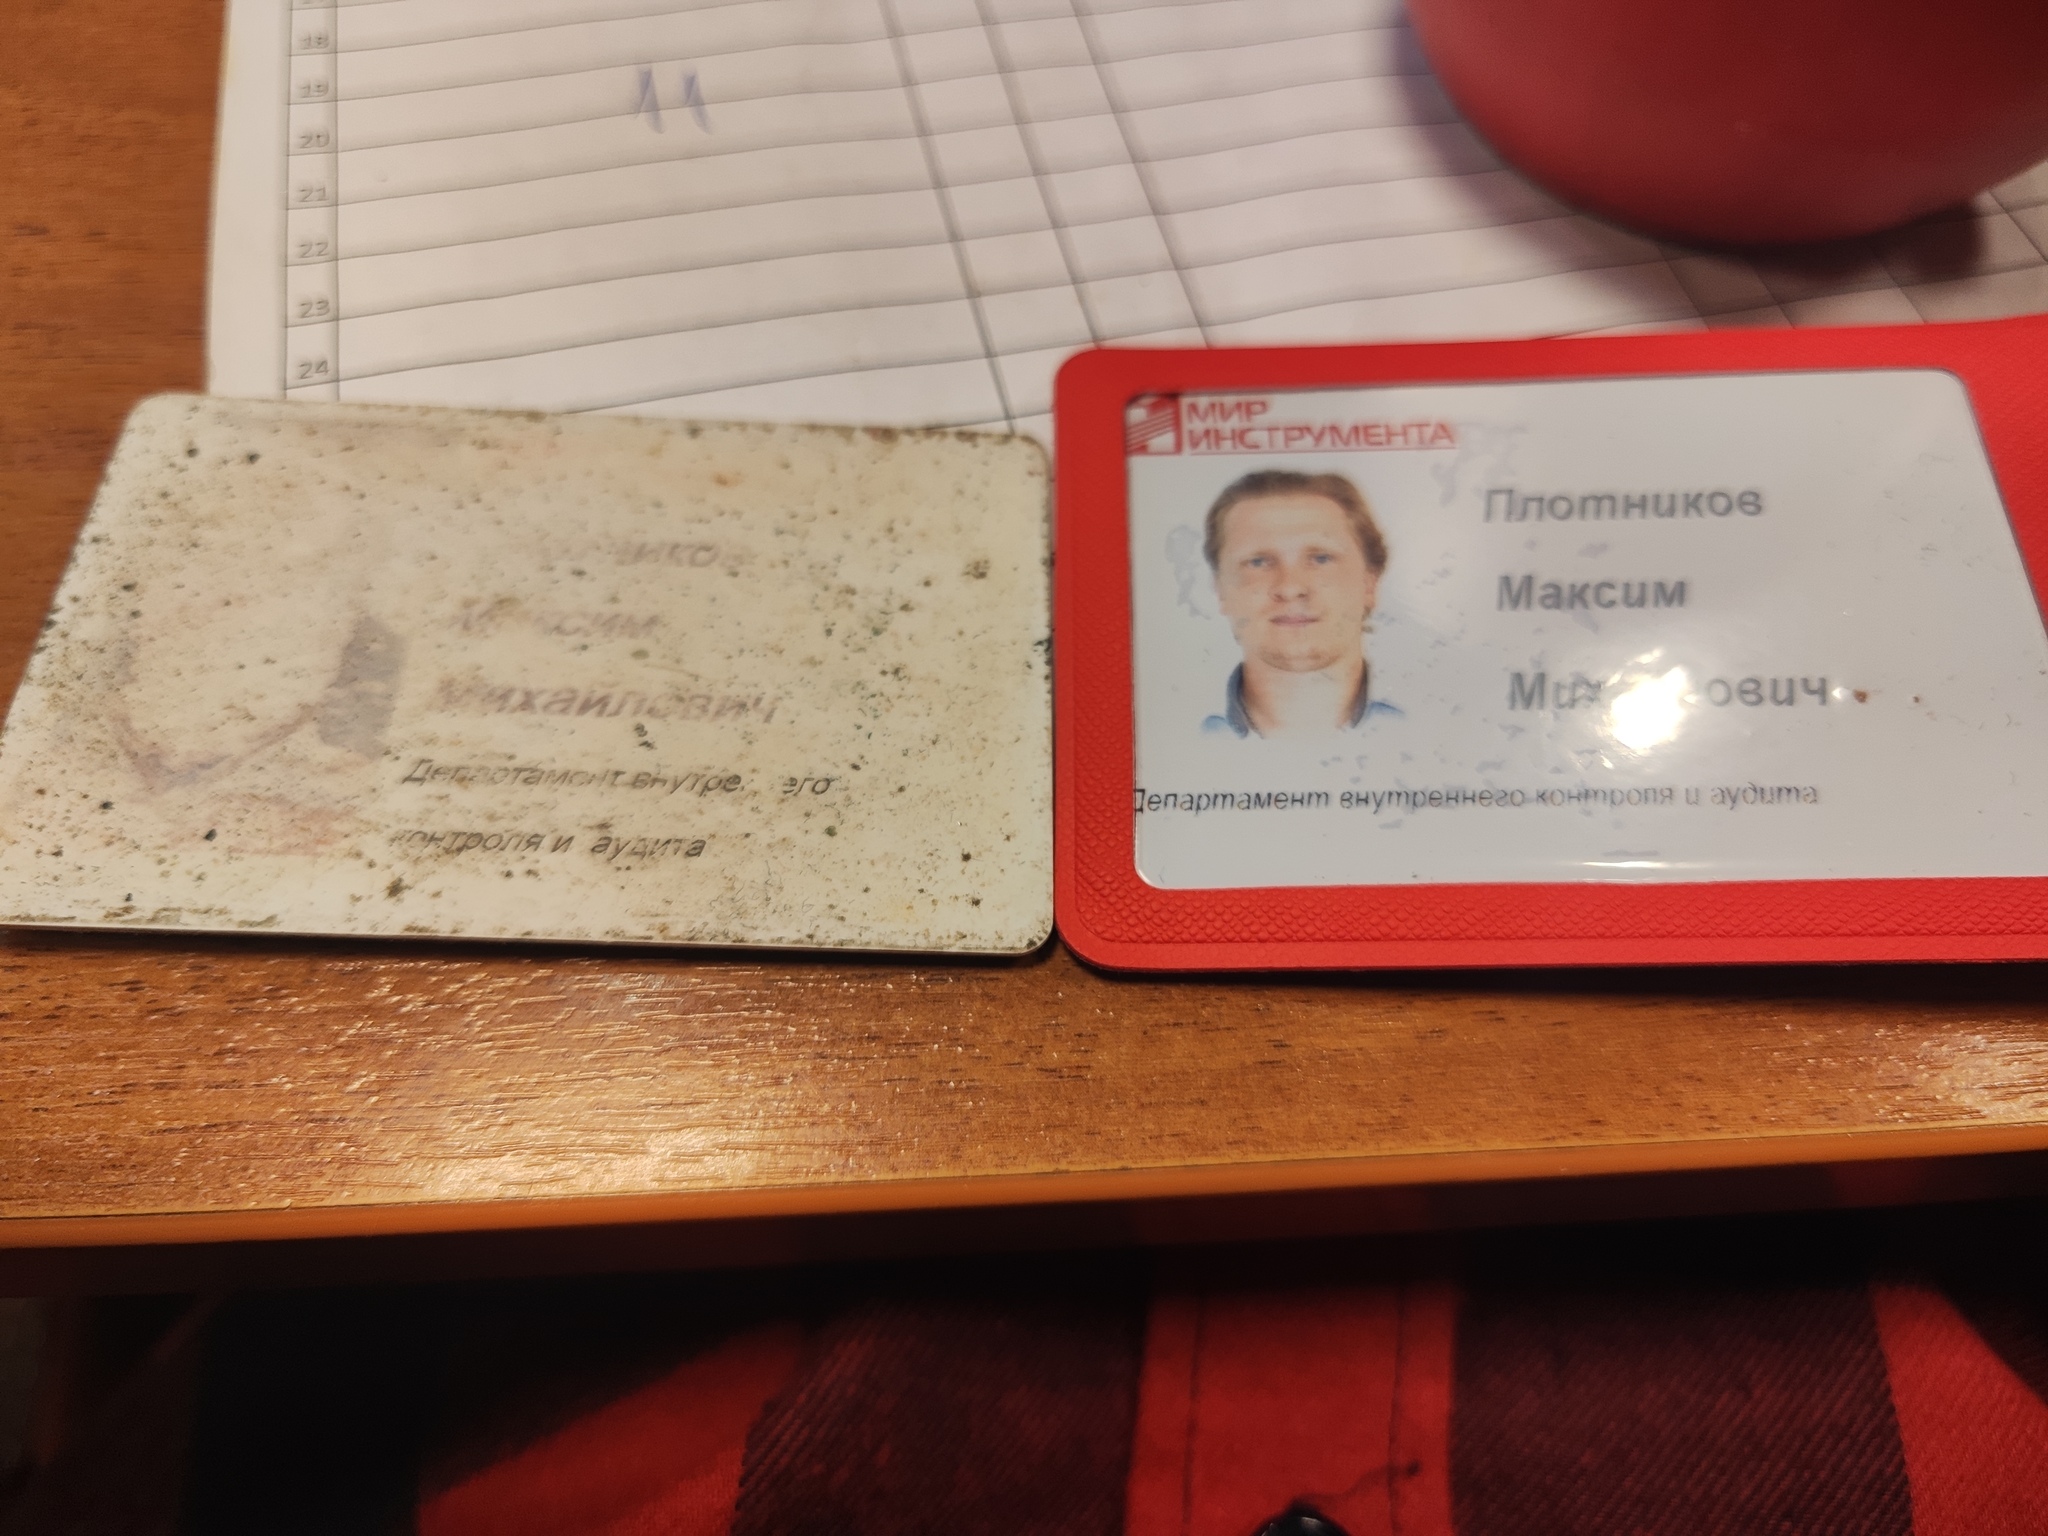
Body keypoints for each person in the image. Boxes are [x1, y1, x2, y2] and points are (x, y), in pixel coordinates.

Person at [1200, 469, 1401, 738]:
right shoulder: (1174, 734)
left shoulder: (1435, 727)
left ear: (1369, 584)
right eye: (1258, 562)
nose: (1290, 587)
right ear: (1221, 590)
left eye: (1320, 559)